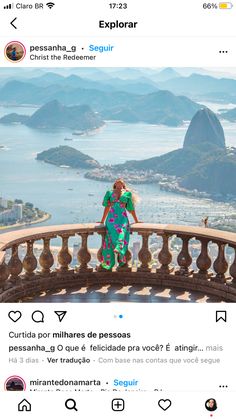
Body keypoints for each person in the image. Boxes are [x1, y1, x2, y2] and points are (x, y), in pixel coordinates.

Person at [98, 179, 141, 270]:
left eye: (121, 181)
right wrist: (102, 220)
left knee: (122, 232)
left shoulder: (127, 193)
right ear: (115, 184)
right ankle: (109, 263)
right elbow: (106, 206)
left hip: (122, 218)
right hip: (111, 219)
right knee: (109, 239)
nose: (119, 181)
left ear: (123, 184)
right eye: (117, 180)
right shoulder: (109, 193)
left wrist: (136, 220)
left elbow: (130, 208)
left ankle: (118, 248)